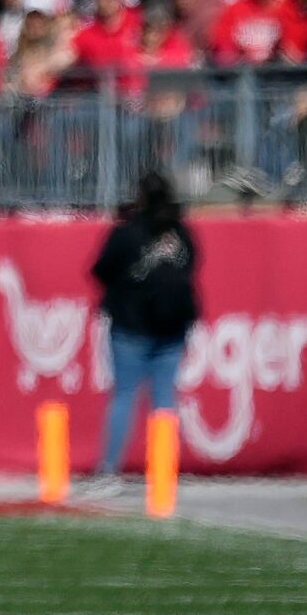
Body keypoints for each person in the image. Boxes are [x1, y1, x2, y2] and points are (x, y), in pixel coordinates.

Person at [88, 170, 199, 477]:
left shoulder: (127, 232)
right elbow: (192, 266)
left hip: (131, 326)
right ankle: (163, 471)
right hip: (173, 328)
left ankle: (109, 469)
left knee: (123, 396)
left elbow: (99, 270)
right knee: (165, 398)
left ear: (140, 197)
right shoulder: (182, 233)